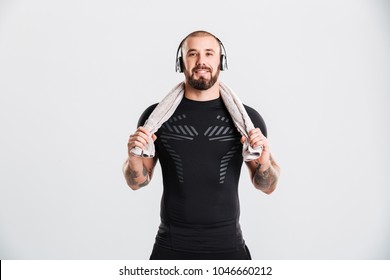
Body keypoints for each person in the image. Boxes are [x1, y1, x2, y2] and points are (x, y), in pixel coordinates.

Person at [123, 30, 280, 260]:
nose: (201, 61)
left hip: (229, 247)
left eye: (209, 53)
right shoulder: (154, 119)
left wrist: (264, 160)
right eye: (193, 54)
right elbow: (137, 182)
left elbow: (267, 186)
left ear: (221, 61)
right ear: (181, 62)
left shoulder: (248, 120)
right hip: (171, 247)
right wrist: (134, 159)